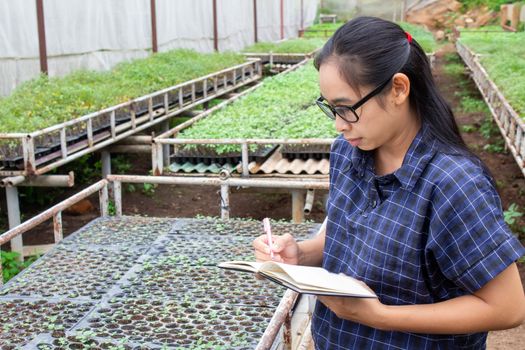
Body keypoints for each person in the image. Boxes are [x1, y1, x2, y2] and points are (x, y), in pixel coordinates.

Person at [253, 17, 525, 349]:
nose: (339, 125)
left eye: (347, 108)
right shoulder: (349, 153)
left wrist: (378, 316)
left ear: (398, 89)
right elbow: (348, 235)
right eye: (331, 109)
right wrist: (301, 253)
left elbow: (507, 307)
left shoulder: (452, 183)